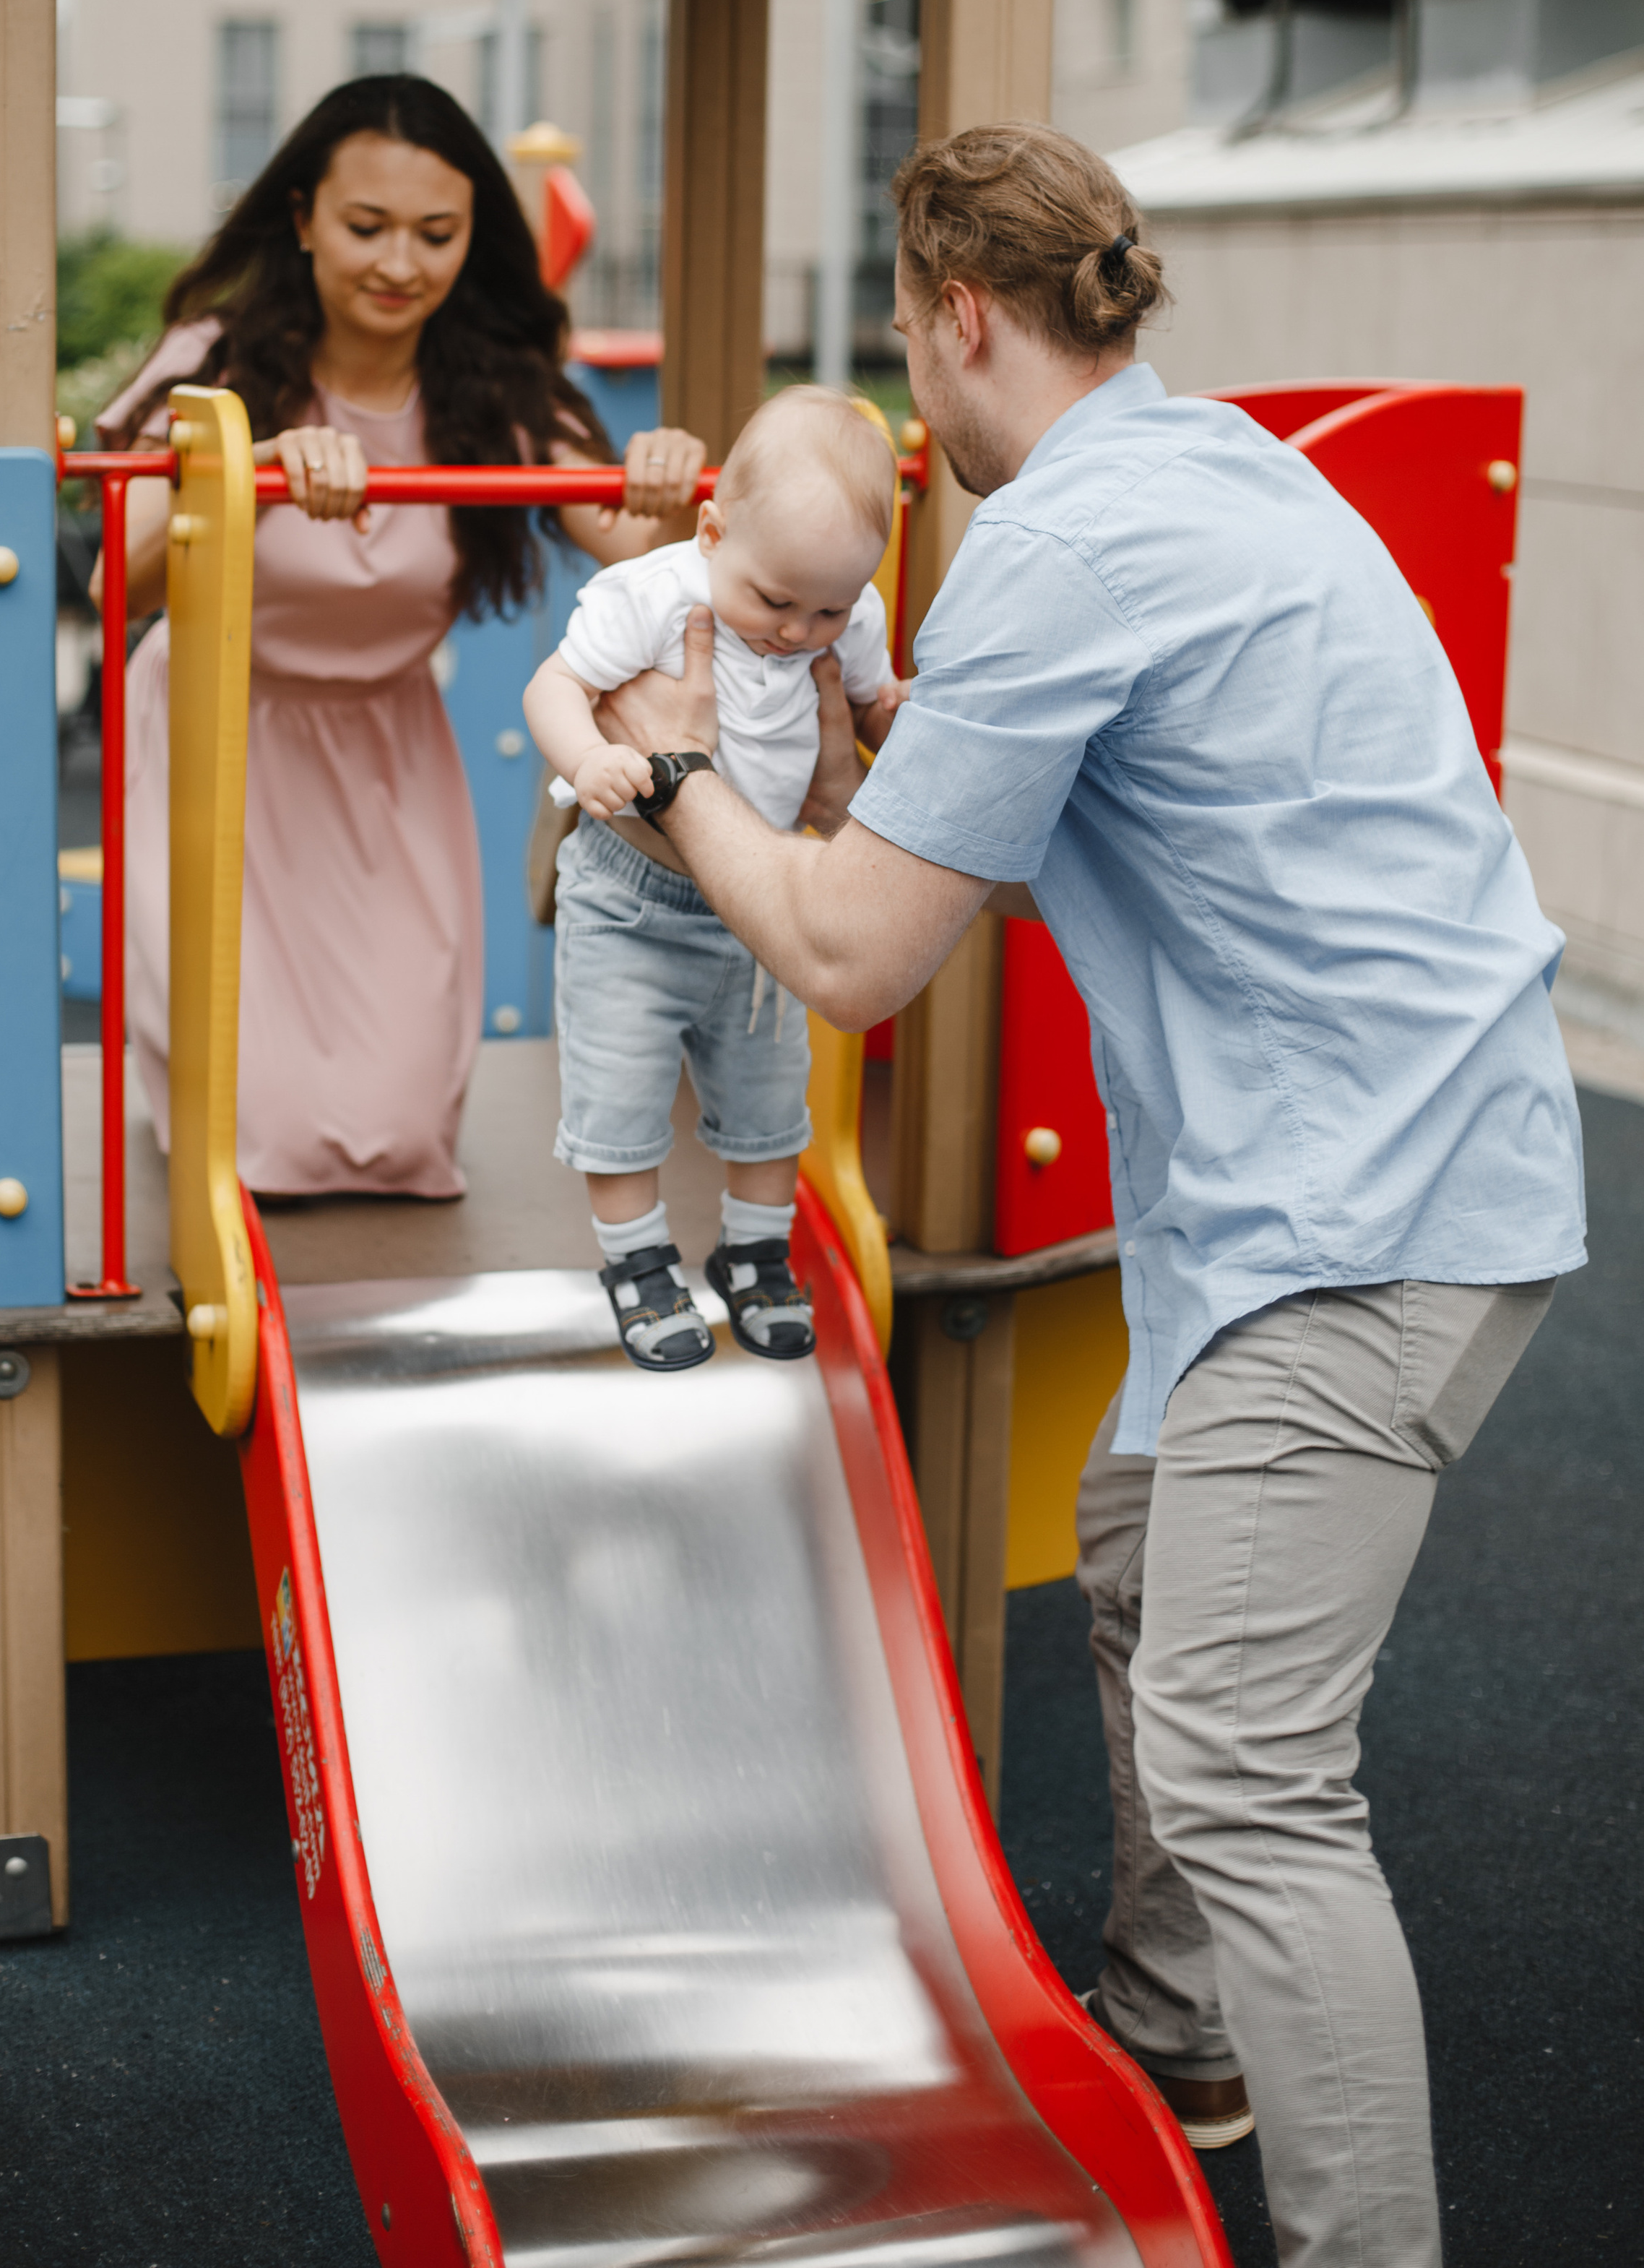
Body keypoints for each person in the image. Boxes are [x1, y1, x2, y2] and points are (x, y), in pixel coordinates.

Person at [591, 124, 1585, 2268]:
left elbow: (851, 950)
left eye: (897, 336)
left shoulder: (1063, 546)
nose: (898, 395)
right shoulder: (1218, 467)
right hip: (1372, 1174)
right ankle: (1180, 2029)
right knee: (1137, 1544)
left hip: (1368, 1219)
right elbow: (930, 781)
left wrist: (663, 771)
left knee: (1249, 1771)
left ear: (960, 319)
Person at [94, 74, 705, 1198]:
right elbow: (112, 585)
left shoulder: (494, 386)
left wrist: (662, 480)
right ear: (303, 220)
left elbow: (636, 546)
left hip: (385, 745)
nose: (399, 263)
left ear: (474, 239)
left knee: (397, 1126)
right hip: (221, 738)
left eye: (436, 234)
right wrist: (248, 476)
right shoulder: (216, 366)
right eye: (366, 227)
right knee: (262, 1125)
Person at [522, 388, 904, 1370]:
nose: (795, 631)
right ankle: (638, 1263)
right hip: (631, 899)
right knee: (618, 1093)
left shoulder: (845, 614)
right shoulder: (655, 597)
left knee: (771, 1097)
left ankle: (755, 1255)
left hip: (761, 900)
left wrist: (900, 718)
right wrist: (589, 759)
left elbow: (867, 705)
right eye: (775, 601)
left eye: (827, 608)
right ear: (711, 529)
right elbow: (554, 686)